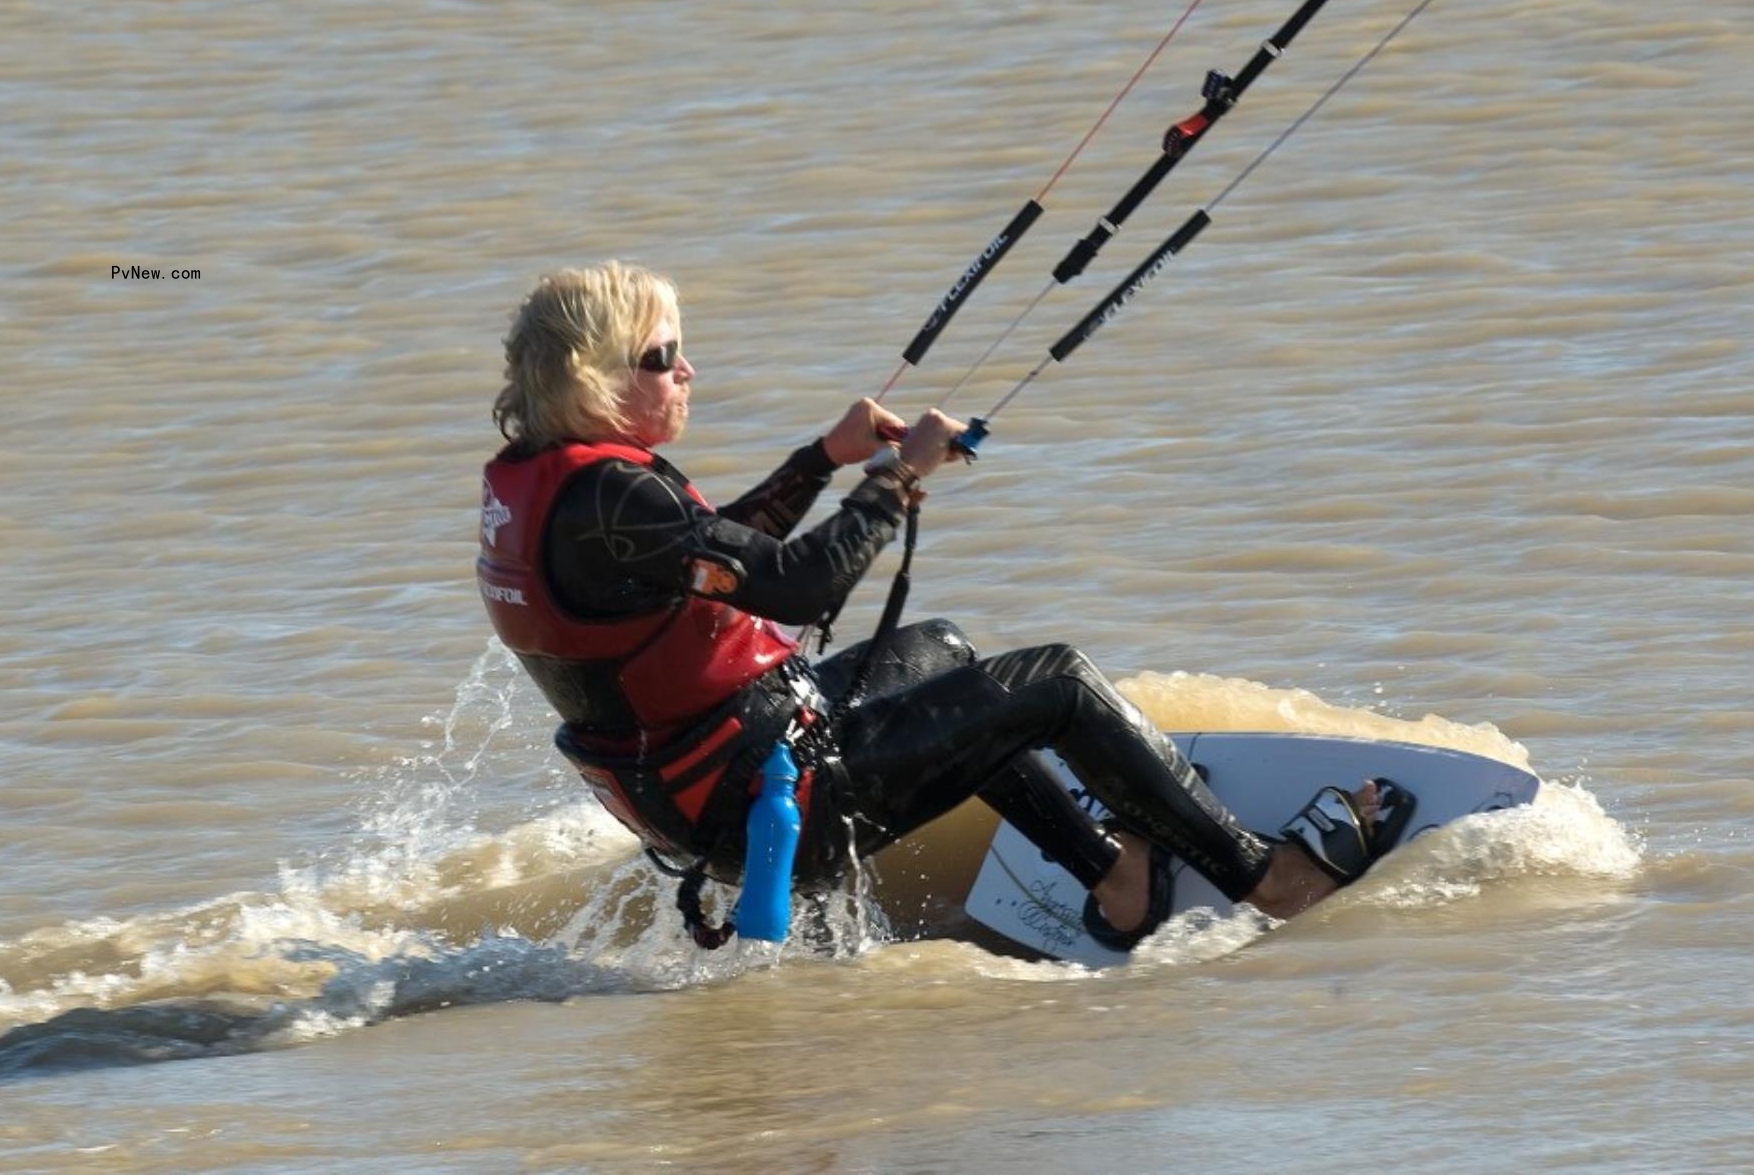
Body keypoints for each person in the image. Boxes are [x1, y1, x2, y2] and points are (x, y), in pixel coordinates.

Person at [476, 261, 1410, 951]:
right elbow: (800, 585)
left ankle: (1116, 876)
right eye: (663, 356)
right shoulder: (612, 497)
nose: (688, 371)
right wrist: (896, 480)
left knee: (944, 652)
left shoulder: (561, 489)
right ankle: (1270, 876)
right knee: (1057, 683)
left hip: (707, 782)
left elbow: (723, 557)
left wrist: (824, 458)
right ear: (595, 379)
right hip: (760, 795)